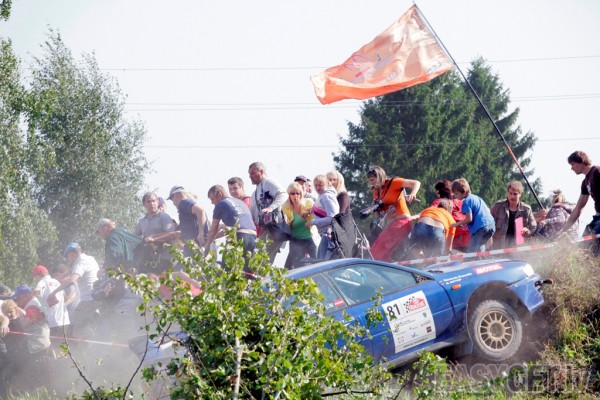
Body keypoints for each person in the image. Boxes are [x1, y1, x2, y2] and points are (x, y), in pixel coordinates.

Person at [366, 165, 421, 262]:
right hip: (391, 225)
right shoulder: (376, 192)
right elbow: (378, 214)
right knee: (377, 251)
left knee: (377, 252)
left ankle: (383, 266)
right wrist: (374, 209)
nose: (372, 183)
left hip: (402, 222)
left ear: (380, 176)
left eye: (373, 179)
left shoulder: (393, 182)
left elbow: (416, 183)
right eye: (370, 180)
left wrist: (413, 194)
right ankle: (388, 266)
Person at [47, 243, 100, 340]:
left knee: (76, 328)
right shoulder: (91, 259)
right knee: (83, 324)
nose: (69, 260)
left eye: (68, 257)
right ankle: (95, 332)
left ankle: (95, 341)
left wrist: (54, 292)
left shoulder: (80, 262)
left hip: (88, 300)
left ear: (71, 254)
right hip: (97, 297)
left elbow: (72, 280)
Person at [205, 184, 257, 273]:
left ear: (219, 194)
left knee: (227, 269)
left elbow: (213, 229)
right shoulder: (240, 202)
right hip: (252, 236)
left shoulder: (220, 205)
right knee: (246, 271)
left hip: (238, 235)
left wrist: (207, 247)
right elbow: (235, 225)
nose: (212, 203)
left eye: (212, 199)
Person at [559, 151, 600, 253]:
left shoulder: (597, 171)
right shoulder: (585, 183)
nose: (571, 168)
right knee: (584, 244)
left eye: (573, 164)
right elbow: (578, 208)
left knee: (593, 241)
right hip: (598, 217)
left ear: (581, 161)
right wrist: (563, 230)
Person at [248, 162, 289, 263]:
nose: (250, 176)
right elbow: (251, 215)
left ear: (261, 172)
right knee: (257, 258)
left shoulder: (268, 182)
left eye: (252, 173)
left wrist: (271, 207)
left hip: (274, 228)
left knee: (263, 260)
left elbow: (283, 194)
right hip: (265, 229)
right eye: (249, 174)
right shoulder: (255, 193)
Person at [134, 192, 177, 273]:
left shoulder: (164, 217)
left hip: (165, 256)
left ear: (157, 202)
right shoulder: (142, 221)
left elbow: (172, 234)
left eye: (153, 201)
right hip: (148, 257)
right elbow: (134, 237)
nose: (152, 204)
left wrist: (154, 238)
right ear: (144, 205)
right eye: (148, 202)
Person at [450, 178, 495, 253]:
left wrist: (455, 225)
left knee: (471, 251)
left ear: (463, 191)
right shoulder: (476, 198)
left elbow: (469, 219)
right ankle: (481, 259)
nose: (455, 196)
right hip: (491, 226)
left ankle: (470, 260)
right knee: (480, 247)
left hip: (481, 227)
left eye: (457, 193)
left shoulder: (466, 201)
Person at [490, 181, 537, 249]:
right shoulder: (498, 206)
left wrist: (528, 231)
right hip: (498, 246)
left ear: (520, 194)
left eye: (515, 194)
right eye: (510, 193)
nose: (512, 196)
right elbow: (489, 224)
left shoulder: (526, 209)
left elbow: (534, 227)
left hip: (517, 248)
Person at [165, 186, 210, 257]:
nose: (172, 202)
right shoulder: (186, 205)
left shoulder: (183, 203)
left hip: (195, 243)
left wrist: (201, 233)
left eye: (171, 199)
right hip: (194, 244)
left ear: (176, 196)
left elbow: (201, 211)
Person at [282, 182, 317, 268]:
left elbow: (318, 211)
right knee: (299, 267)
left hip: (311, 238)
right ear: (289, 195)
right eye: (292, 193)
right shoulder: (285, 207)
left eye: (298, 193)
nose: (295, 196)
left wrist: (309, 212)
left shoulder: (308, 202)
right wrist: (286, 223)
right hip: (296, 240)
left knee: (317, 264)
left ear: (301, 194)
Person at [32, 265, 70, 341]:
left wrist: (33, 295)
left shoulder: (42, 282)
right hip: (64, 319)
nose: (35, 279)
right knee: (62, 343)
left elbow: (36, 289)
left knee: (53, 345)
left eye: (35, 277)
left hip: (53, 321)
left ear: (38, 275)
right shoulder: (56, 281)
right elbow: (65, 297)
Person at [431, 180, 470, 251]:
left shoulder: (439, 202)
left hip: (453, 236)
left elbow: (432, 213)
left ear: (438, 192)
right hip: (468, 234)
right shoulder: (461, 201)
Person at [308, 175, 340, 260]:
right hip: (324, 233)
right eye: (316, 185)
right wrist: (309, 212)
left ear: (326, 184)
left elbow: (332, 218)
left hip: (328, 233)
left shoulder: (326, 196)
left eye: (320, 185)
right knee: (320, 261)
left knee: (323, 262)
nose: (318, 188)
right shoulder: (322, 195)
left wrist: (312, 222)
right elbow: (321, 210)